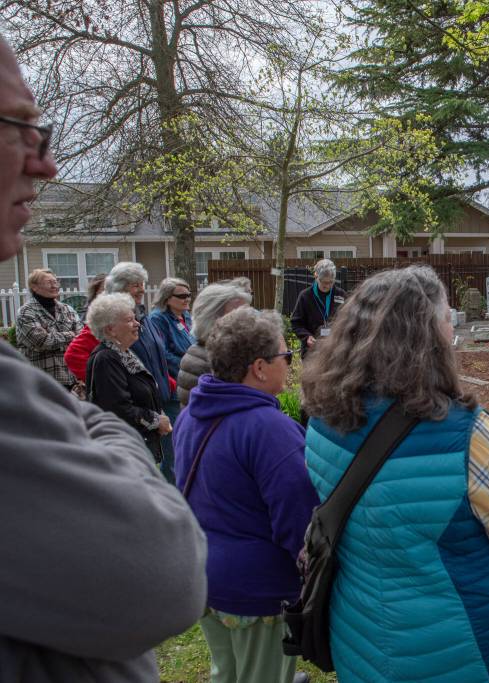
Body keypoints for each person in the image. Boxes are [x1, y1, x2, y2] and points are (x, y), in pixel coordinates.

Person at [0, 33, 206, 680]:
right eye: (20, 130)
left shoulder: (117, 341)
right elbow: (162, 568)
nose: (46, 165)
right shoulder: (99, 348)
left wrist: (79, 418)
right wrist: (104, 429)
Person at [301, 265, 489, 682]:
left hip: (361, 635)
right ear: (426, 335)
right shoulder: (462, 433)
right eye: (445, 318)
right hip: (459, 648)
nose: (451, 327)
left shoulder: (322, 419)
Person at [174, 307, 318, 683]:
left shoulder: (191, 414)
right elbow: (299, 523)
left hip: (205, 573)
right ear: (258, 367)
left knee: (227, 672)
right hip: (257, 588)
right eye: (284, 357)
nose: (289, 364)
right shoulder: (270, 429)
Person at [85, 292, 172, 464]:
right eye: (129, 320)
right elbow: (118, 410)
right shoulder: (107, 359)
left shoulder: (123, 352)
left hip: (138, 447)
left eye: (135, 318)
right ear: (110, 329)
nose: (137, 324)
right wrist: (156, 421)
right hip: (125, 454)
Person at [150, 277, 196, 478]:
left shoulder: (187, 317)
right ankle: (172, 491)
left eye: (189, 295)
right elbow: (162, 354)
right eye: (182, 296)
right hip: (174, 386)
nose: (187, 299)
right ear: (168, 298)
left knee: (189, 441)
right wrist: (190, 366)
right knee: (174, 444)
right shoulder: (157, 319)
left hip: (191, 386)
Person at [177, 282, 252, 406]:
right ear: (213, 318)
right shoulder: (213, 360)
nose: (249, 321)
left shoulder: (217, 352)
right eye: (239, 315)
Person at [15, 267, 82, 390]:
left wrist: (55, 337)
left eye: (56, 282)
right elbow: (42, 342)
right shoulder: (26, 312)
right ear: (34, 287)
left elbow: (80, 338)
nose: (54, 286)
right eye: (49, 282)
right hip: (39, 382)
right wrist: (71, 335)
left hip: (70, 379)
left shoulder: (68, 310)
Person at [290, 258, 346, 358]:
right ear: (316, 276)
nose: (327, 286)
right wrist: (307, 337)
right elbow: (296, 323)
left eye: (331, 282)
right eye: (324, 282)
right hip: (312, 352)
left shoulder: (341, 295)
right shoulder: (305, 296)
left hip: (335, 351)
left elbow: (348, 321)